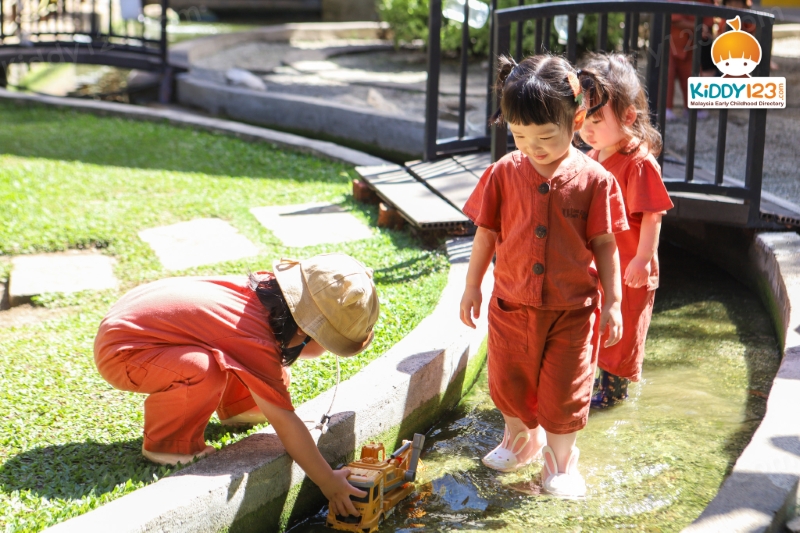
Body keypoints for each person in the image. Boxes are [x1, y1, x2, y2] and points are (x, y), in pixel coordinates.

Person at [93, 252, 380, 517]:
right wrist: (328, 481)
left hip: (138, 319)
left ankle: (238, 407)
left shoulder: (266, 297)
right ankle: (169, 443)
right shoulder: (254, 338)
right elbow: (284, 421)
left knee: (264, 370)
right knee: (203, 370)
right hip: (124, 350)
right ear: (306, 330)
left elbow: (236, 346)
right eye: (328, 342)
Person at [459, 54, 628, 499]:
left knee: (565, 389)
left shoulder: (595, 180)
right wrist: (472, 285)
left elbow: (606, 244)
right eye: (518, 135)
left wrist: (613, 301)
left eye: (545, 137)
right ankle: (519, 437)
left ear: (576, 119)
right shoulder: (501, 173)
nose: (531, 147)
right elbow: (486, 233)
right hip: (510, 306)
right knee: (509, 382)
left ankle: (560, 458)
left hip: (572, 312)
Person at [579, 53, 675, 408]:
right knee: (598, 330)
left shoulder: (638, 162)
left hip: (630, 267)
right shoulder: (594, 154)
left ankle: (613, 395)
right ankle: (594, 385)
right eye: (583, 117)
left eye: (597, 118)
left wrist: (642, 260)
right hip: (603, 266)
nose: (587, 127)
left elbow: (653, 215)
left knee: (622, 336)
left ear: (628, 116)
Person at [666, 0, 715, 120]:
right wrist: (697, 27)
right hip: (668, 42)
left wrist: (704, 28)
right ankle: (664, 108)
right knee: (666, 77)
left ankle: (693, 107)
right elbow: (673, 17)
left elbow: (709, 17)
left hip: (691, 44)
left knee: (692, 74)